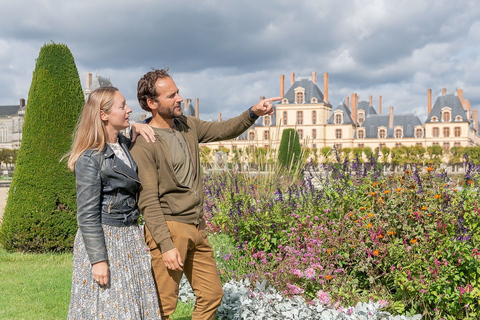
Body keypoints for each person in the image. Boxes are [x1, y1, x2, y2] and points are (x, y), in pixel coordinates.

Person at [130, 68, 281, 320]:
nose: (179, 99)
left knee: (211, 295)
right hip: (170, 228)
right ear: (151, 103)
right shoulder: (145, 142)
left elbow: (225, 129)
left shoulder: (187, 125)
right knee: (162, 307)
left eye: (178, 92)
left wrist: (253, 113)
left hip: (197, 226)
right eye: (171, 96)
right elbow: (147, 200)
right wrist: (166, 246)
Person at [66, 86, 161, 319]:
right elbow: (87, 216)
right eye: (122, 106)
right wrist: (98, 260)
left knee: (133, 303)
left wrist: (135, 126)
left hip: (129, 237)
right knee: (113, 309)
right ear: (103, 114)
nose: (129, 109)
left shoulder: (123, 145)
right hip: (107, 240)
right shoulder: (90, 158)